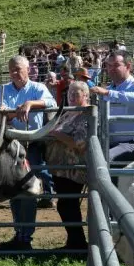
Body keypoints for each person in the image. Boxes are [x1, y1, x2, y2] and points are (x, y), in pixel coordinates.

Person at [0, 55, 57, 250]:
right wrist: (16, 112)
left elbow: (50, 103)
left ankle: (26, 237)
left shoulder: (38, 88)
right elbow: (2, 112)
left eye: (18, 69)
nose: (14, 73)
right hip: (12, 144)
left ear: (28, 69)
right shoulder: (3, 88)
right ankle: (18, 233)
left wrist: (30, 103)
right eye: (11, 69)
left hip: (32, 143)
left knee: (29, 189)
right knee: (14, 189)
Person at [45, 82, 90, 249]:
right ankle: (74, 241)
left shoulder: (86, 115)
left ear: (85, 95)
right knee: (66, 204)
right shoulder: (68, 113)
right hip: (60, 169)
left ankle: (77, 243)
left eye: (76, 94)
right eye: (70, 93)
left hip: (74, 168)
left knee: (68, 204)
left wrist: (56, 134)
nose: (71, 97)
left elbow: (79, 143)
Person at [90, 51, 134, 165]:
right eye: (109, 66)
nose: (111, 69)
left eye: (116, 65)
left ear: (128, 66)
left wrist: (109, 93)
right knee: (89, 156)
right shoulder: (108, 90)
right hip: (111, 142)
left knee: (103, 159)